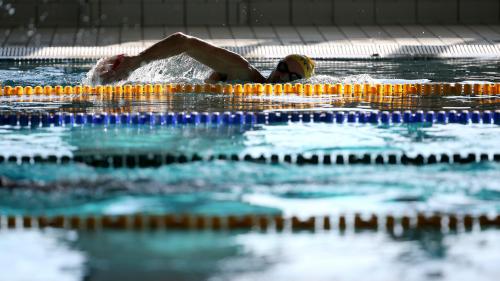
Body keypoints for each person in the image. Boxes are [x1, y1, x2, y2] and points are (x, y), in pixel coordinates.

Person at [96, 32, 315, 84]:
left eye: (292, 76)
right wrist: (134, 63)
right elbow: (183, 42)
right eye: (282, 66)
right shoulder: (243, 72)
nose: (282, 75)